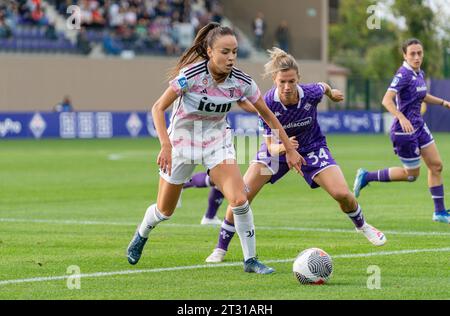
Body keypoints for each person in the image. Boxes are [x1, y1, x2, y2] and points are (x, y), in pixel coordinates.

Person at [126, 23, 304, 274]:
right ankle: (141, 234)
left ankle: (251, 260)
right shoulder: (191, 75)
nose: (231, 57)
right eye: (224, 52)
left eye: (234, 52)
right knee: (165, 211)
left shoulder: (243, 82)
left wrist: (290, 149)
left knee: (240, 199)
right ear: (209, 51)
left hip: (216, 142)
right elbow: (158, 107)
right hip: (182, 142)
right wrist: (165, 145)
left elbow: (269, 117)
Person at [205, 47, 387, 263]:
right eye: (282, 81)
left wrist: (332, 93)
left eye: (292, 81)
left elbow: (324, 87)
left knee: (342, 194)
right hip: (276, 152)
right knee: (241, 196)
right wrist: (284, 148)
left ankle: (363, 226)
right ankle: (220, 248)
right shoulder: (268, 102)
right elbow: (271, 146)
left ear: (298, 79)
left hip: (312, 147)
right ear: (275, 79)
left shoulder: (310, 94)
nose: (287, 86)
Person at [353, 38, 450, 224]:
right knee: (412, 175)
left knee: (436, 165)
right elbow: (386, 100)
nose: (416, 57)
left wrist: (443, 102)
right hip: (404, 132)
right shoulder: (403, 74)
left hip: (419, 126)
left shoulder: (418, 73)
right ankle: (367, 176)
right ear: (405, 55)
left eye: (419, 53)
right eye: (412, 53)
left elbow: (422, 95)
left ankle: (440, 213)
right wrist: (401, 117)